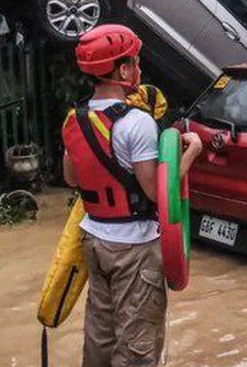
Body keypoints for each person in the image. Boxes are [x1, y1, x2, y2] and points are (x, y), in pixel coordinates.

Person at [62, 24, 202, 366]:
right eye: (135, 62)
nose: (139, 69)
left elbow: (70, 178)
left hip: (94, 239)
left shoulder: (75, 119)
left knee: (100, 336)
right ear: (123, 70)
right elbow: (157, 192)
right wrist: (191, 153)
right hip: (134, 247)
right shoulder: (137, 123)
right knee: (137, 345)